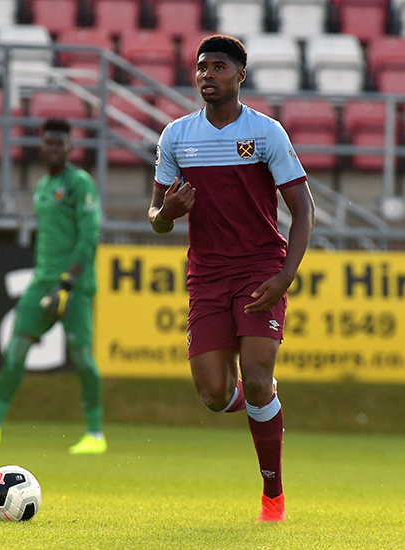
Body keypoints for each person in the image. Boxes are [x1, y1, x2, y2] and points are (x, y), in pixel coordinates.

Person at [148, 35, 315, 522]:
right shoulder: (176, 136)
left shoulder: (266, 133)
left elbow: (303, 210)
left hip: (260, 268)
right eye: (202, 67)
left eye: (219, 67)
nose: (207, 75)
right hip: (207, 276)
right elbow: (155, 215)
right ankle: (254, 401)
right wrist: (167, 213)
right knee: (214, 395)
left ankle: (273, 498)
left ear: (240, 76)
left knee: (259, 378)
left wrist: (286, 275)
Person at [0, 118, 106, 454]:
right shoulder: (42, 187)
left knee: (81, 357)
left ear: (70, 148)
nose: (52, 149)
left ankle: (95, 434)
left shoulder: (80, 184)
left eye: (59, 144)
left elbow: (89, 236)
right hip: (41, 282)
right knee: (16, 352)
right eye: (47, 143)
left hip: (73, 286)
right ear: (40, 147)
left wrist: (68, 281)